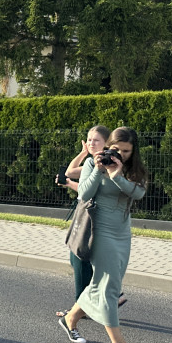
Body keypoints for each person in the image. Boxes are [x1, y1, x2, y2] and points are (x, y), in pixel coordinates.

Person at [57, 127, 149, 343]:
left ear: (133, 151)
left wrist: (117, 174)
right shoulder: (94, 163)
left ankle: (70, 319)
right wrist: (99, 169)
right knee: (109, 288)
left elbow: (138, 194)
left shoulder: (133, 169)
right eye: (116, 149)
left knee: (104, 282)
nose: (120, 154)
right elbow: (84, 194)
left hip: (122, 233)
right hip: (100, 232)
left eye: (126, 151)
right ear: (109, 145)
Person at [54, 125, 127, 319]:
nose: (90, 143)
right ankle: (105, 296)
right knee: (78, 259)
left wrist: (69, 184)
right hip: (83, 213)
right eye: (88, 139)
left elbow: (89, 190)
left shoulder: (106, 163)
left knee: (80, 259)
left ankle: (82, 307)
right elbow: (70, 171)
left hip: (92, 216)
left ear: (106, 144)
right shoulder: (90, 161)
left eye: (96, 140)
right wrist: (83, 152)